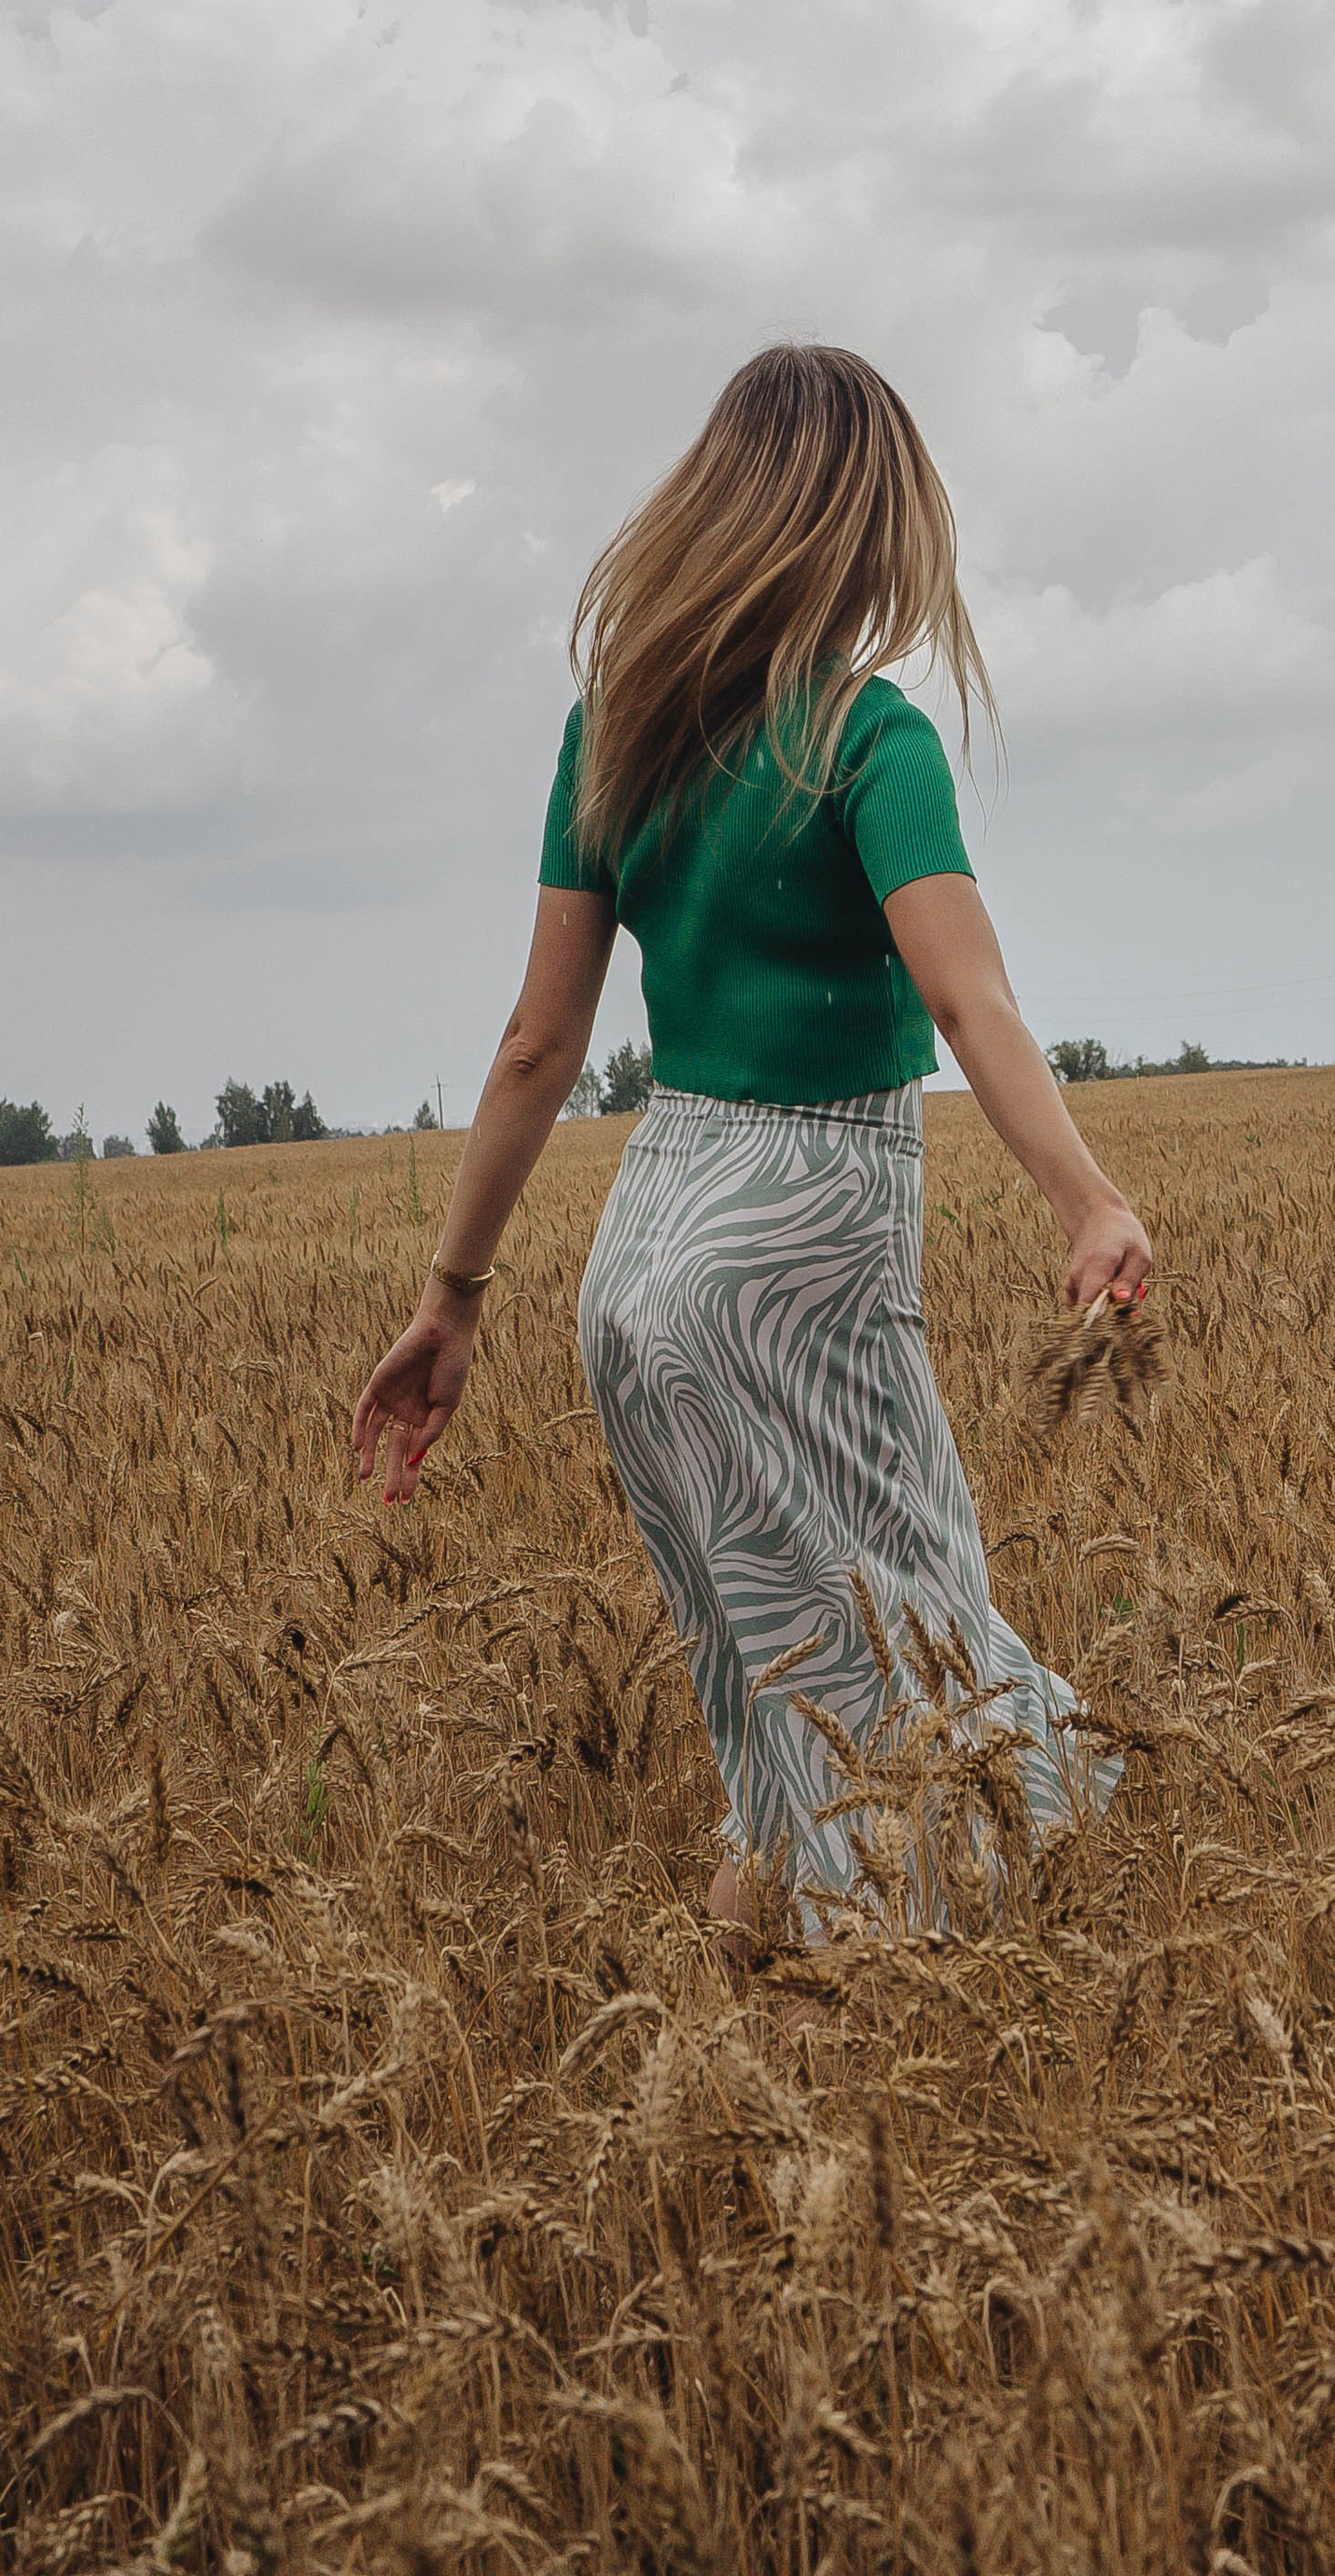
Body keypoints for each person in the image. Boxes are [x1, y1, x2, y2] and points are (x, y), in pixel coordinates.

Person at [350, 342, 1151, 1933]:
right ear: (867, 524)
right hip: (806, 1220)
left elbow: (537, 1046)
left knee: (767, 1685)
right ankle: (979, 2000)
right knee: (921, 1624)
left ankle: (765, 2026)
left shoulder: (612, 728)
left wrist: (452, 1301)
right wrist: (1086, 1196)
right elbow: (972, 999)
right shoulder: (871, 741)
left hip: (640, 1265)